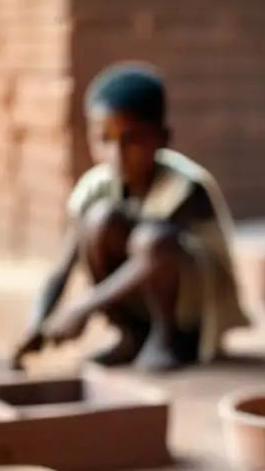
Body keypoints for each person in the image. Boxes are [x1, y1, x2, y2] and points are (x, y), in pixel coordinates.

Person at [13, 62, 250, 371]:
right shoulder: (96, 186)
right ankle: (132, 337)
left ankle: (166, 339)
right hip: (140, 298)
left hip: (192, 312)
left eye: (133, 139)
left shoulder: (187, 186)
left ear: (163, 138)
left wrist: (83, 307)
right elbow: (62, 268)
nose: (118, 154)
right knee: (98, 221)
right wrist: (37, 324)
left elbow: (155, 252)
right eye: (105, 139)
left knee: (151, 239)